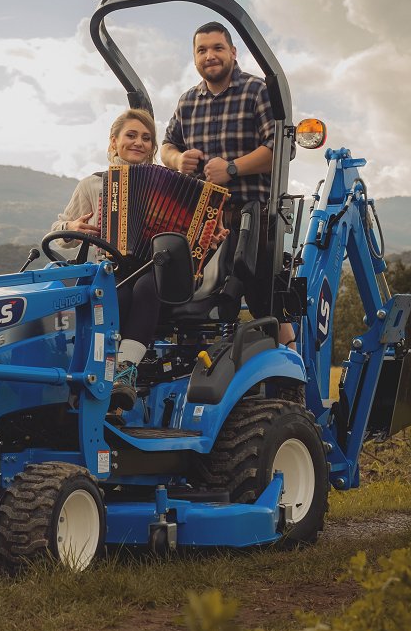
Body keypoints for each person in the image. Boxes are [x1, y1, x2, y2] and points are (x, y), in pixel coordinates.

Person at [160, 21, 295, 348]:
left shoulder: (256, 90)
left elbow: (282, 148)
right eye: (202, 50)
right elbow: (166, 146)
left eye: (217, 48)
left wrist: (233, 168)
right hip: (200, 226)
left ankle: (291, 375)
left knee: (269, 308)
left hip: (251, 221)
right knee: (180, 303)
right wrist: (178, 160)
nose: (210, 56)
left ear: (233, 52)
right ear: (194, 58)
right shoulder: (188, 101)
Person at [52, 108, 161, 412]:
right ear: (114, 142)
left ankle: (125, 371)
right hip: (111, 269)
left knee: (147, 287)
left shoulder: (165, 187)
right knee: (118, 294)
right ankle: (100, 383)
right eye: (131, 135)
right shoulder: (93, 185)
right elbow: (59, 232)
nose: (138, 142)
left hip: (152, 270)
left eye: (146, 138)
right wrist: (71, 228)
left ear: (152, 148)